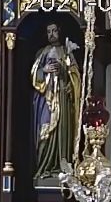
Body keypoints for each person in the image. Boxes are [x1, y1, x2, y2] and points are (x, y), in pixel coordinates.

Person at [31, 22, 80, 180]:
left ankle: (62, 168)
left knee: (63, 132)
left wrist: (66, 75)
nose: (51, 34)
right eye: (48, 31)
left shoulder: (66, 51)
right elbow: (34, 74)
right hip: (46, 99)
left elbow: (76, 76)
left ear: (59, 31)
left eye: (54, 30)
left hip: (63, 98)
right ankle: (44, 167)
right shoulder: (42, 52)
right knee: (45, 132)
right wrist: (44, 70)